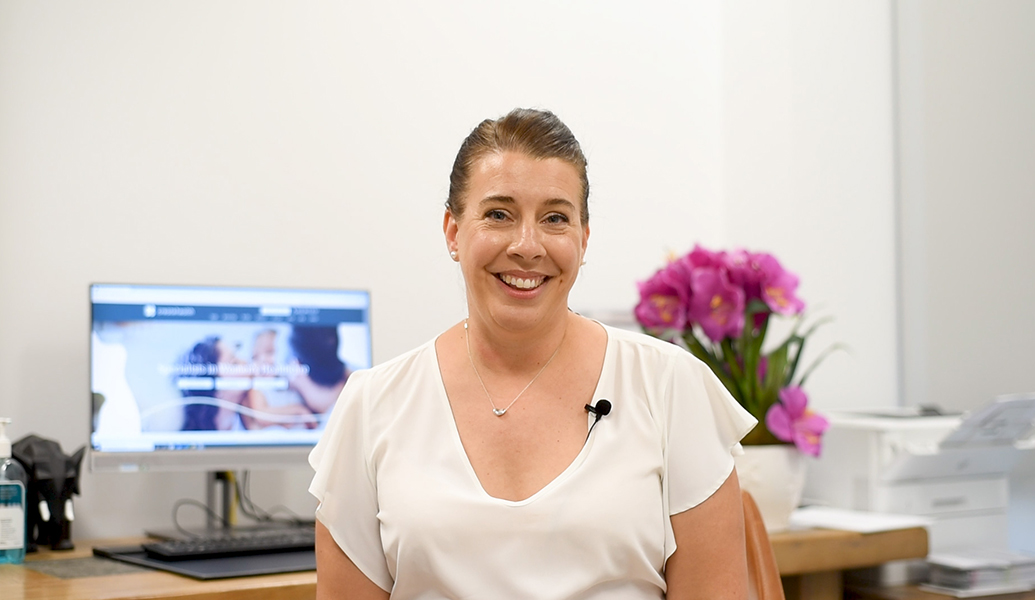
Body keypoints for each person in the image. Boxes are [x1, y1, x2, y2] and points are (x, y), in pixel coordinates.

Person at [308, 108, 757, 599]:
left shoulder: (670, 387)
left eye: (555, 219)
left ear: (583, 240)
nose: (527, 246)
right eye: (499, 214)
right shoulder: (373, 406)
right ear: (454, 232)